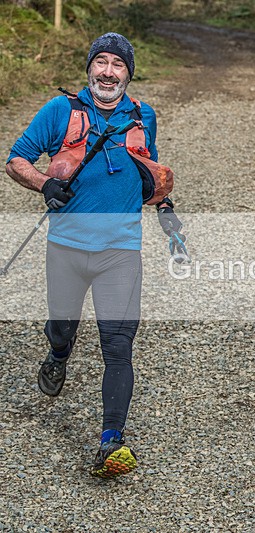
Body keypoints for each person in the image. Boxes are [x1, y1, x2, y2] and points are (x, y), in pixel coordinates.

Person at [5, 32, 182, 477]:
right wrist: (45, 183)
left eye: (117, 65)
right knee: (63, 328)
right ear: (89, 69)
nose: (108, 71)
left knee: (118, 347)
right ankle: (59, 352)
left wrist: (164, 208)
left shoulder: (143, 116)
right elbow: (15, 160)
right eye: (100, 62)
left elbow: (151, 167)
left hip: (121, 251)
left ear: (128, 73)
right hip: (65, 248)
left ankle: (112, 441)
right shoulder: (60, 111)